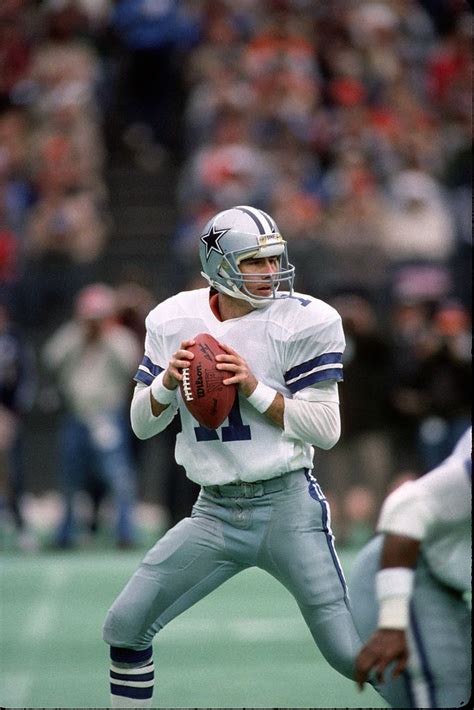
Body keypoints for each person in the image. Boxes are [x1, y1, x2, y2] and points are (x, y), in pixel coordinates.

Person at [102, 205, 366, 708]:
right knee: (124, 626)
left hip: (286, 506)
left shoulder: (304, 320)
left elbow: (327, 431)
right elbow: (141, 424)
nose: (271, 273)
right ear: (218, 263)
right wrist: (166, 381)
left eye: (274, 260)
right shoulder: (174, 318)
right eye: (255, 263)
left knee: (350, 654)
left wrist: (253, 388)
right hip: (214, 511)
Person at [351, 426, 471, 708]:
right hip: (408, 570)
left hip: (446, 577)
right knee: (451, 694)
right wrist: (393, 623)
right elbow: (406, 507)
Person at [42, 283, 140, 548]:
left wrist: (104, 336)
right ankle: (65, 533)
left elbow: (129, 363)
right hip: (76, 415)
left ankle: (125, 532)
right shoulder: (73, 337)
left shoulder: (118, 338)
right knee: (69, 479)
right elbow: (51, 358)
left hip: (107, 415)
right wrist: (79, 334)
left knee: (118, 477)